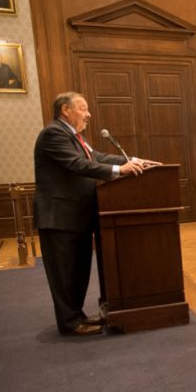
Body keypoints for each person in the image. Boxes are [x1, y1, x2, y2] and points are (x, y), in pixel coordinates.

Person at [34, 92, 146, 336]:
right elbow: (78, 164)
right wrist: (120, 169)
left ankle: (78, 316)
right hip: (59, 218)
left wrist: (134, 160)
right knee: (64, 274)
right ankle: (70, 323)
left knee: (77, 271)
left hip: (77, 216)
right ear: (65, 110)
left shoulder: (75, 137)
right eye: (83, 109)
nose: (89, 114)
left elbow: (96, 158)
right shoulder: (53, 134)